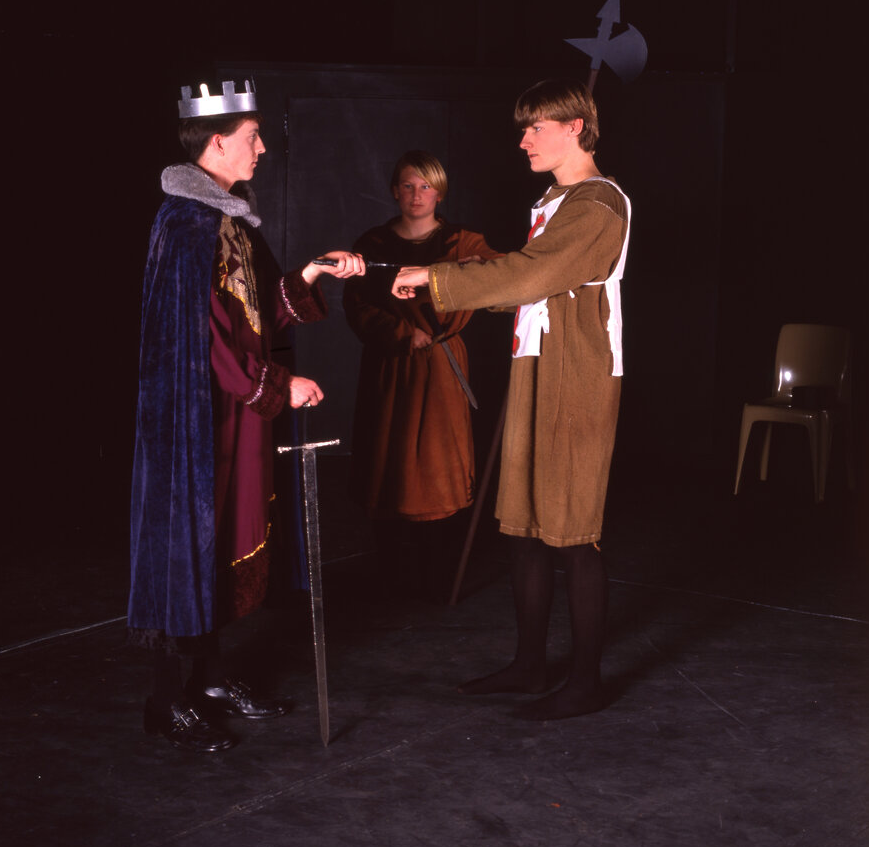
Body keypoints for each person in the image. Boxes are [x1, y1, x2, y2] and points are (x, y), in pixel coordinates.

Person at [128, 79, 364, 751]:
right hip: (196, 422)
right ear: (217, 141)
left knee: (223, 542)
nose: (262, 149)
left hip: (233, 416)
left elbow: (254, 313)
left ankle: (208, 682)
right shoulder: (187, 225)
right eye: (253, 137)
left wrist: (311, 273)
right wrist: (281, 385)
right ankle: (165, 700)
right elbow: (204, 341)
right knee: (187, 544)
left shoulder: (227, 218)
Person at [392, 79, 631, 720]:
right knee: (524, 526)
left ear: (575, 127)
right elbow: (525, 284)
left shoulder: (598, 204)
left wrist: (439, 277)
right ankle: (530, 666)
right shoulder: (557, 199)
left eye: (536, 127)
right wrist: (438, 279)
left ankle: (586, 682)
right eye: (523, 128)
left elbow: (531, 274)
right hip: (537, 365)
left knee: (573, 532)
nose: (523, 140)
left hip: (578, 375)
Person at [342, 151, 500, 594]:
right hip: (391, 366)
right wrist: (399, 332)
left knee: (438, 464)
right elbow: (357, 305)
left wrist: (457, 273)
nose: (417, 195)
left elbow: (500, 273)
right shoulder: (373, 244)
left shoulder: (463, 242)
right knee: (387, 460)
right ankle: (392, 575)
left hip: (442, 366)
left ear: (440, 192)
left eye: (426, 186)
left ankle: (437, 574)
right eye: (408, 186)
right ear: (395, 191)